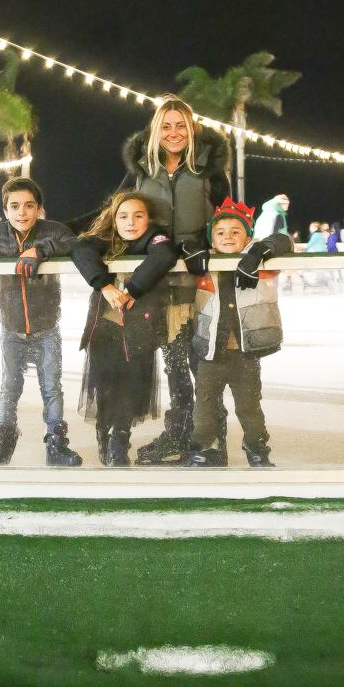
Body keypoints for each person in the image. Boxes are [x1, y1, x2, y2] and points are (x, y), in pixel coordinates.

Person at [110, 97, 231, 465]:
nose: (174, 133)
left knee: (203, 365)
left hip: (202, 283)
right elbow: (116, 214)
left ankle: (212, 439)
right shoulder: (142, 171)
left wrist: (205, 240)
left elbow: (229, 221)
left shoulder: (209, 170)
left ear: (192, 129)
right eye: (166, 126)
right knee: (175, 364)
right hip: (161, 283)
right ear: (155, 131)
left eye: (181, 125)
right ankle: (178, 434)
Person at [0, 177, 80, 467]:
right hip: (11, 328)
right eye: (14, 206)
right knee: (10, 387)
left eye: (29, 205)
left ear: (39, 209)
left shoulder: (54, 231)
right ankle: (5, 438)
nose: (22, 212)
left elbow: (74, 245)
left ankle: (56, 442)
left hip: (47, 327)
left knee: (51, 387)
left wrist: (41, 250)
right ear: (5, 210)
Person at [73, 192, 177, 466]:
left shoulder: (156, 238)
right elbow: (80, 248)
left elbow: (164, 254)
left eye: (138, 216)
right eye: (123, 216)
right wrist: (104, 286)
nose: (130, 222)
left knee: (130, 389)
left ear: (149, 219)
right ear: (114, 219)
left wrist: (132, 289)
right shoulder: (105, 239)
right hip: (105, 328)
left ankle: (120, 439)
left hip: (137, 329)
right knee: (105, 386)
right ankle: (103, 433)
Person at [188, 199, 292, 467]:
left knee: (249, 408)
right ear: (212, 239)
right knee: (204, 409)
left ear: (247, 236)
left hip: (246, 353)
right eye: (220, 232)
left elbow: (285, 240)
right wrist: (188, 248)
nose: (228, 237)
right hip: (211, 354)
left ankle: (256, 448)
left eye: (236, 231)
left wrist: (258, 251)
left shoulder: (261, 261)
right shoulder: (205, 262)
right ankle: (202, 447)